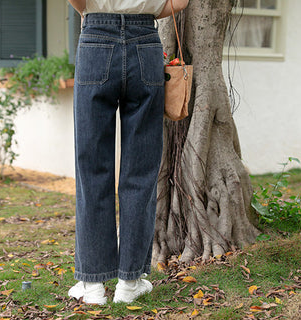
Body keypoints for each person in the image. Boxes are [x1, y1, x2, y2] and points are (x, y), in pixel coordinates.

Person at [67, 0, 189, 304]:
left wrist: (92, 11)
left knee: (92, 170)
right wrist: (142, 11)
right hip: (145, 43)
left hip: (96, 38)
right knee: (141, 172)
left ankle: (93, 286)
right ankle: (129, 282)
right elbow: (179, 2)